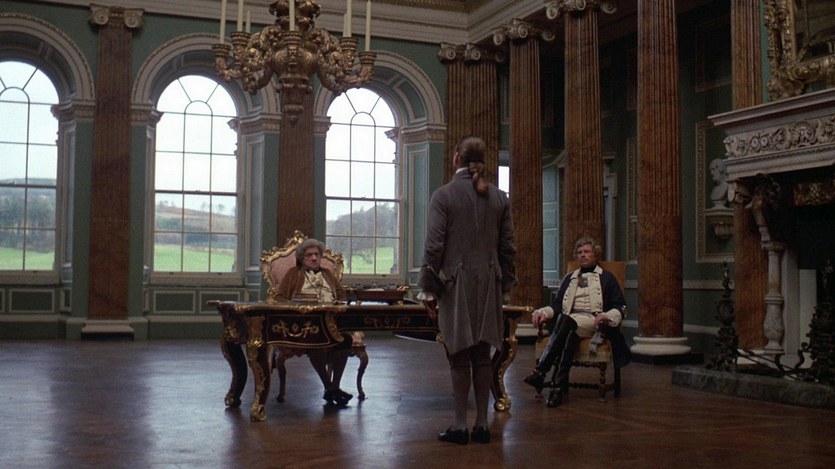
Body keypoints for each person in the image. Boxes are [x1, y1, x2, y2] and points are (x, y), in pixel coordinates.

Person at [417, 136, 517, 445]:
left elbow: (434, 245)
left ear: (456, 158)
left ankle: (460, 425)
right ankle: (482, 425)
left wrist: (428, 289)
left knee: (458, 355)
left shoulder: (444, 195)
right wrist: (504, 286)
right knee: (483, 356)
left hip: (455, 284)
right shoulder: (499, 198)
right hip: (490, 283)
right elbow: (508, 248)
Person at [523, 237, 630, 408]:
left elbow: (620, 306)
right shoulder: (569, 278)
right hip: (569, 322)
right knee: (569, 335)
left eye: (587, 252)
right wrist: (543, 312)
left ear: (595, 254)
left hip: (593, 321)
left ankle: (541, 370)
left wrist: (607, 316)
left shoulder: (607, 278)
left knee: (565, 321)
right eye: (579, 252)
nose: (582, 255)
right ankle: (557, 388)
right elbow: (558, 305)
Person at [276, 238, 354, 407]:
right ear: (301, 258)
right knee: (320, 341)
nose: (313, 258)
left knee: (346, 340)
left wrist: (338, 304)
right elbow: (279, 298)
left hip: (331, 320)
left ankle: (334, 387)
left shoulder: (327, 274)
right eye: (309, 255)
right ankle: (329, 387)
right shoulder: (293, 274)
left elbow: (341, 294)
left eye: (317, 255)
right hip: (303, 323)